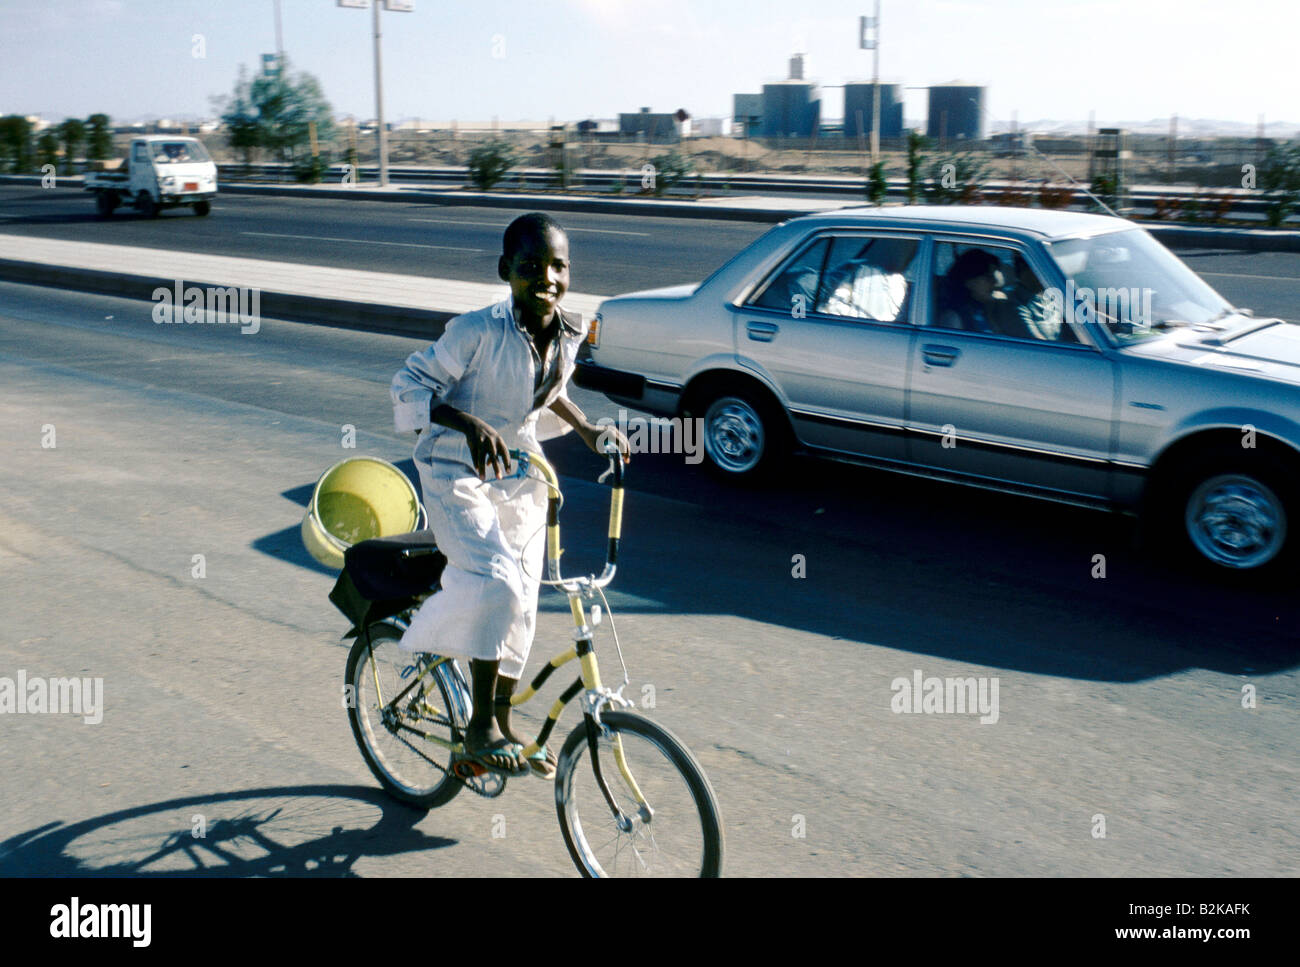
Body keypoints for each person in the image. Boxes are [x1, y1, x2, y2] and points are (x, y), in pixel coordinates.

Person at [390, 212, 628, 778]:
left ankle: (500, 722)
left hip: (519, 468)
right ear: (506, 271)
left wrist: (590, 429)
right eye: (531, 267)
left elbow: (548, 394)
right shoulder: (473, 331)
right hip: (455, 469)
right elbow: (408, 388)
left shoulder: (567, 332)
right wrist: (466, 422)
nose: (547, 277)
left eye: (558, 266)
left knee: (523, 598)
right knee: (495, 581)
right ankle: (476, 733)